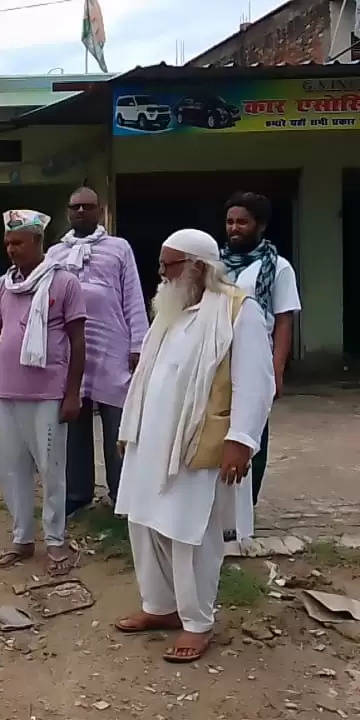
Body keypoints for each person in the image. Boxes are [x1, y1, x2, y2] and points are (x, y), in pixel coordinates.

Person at [114, 229, 274, 664]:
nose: (162, 275)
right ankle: (159, 607)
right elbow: (148, 375)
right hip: (151, 445)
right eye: (162, 267)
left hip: (197, 445)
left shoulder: (240, 312)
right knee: (145, 525)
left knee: (190, 533)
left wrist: (241, 440)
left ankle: (197, 623)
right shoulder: (171, 310)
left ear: (198, 268)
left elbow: (256, 383)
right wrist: (130, 431)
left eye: (170, 266)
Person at [0, 210, 86, 576]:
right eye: (8, 243)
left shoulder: (63, 283)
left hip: (48, 394)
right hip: (9, 392)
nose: (11, 250)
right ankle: (22, 538)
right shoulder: (4, 285)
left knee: (51, 469)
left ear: (38, 243)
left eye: (18, 243)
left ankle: (56, 541)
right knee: (9, 470)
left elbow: (77, 341)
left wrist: (72, 393)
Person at [47, 187, 149, 515]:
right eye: (75, 207)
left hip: (113, 348)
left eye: (87, 207)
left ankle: (123, 495)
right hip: (70, 352)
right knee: (73, 424)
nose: (80, 212)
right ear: (67, 211)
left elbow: (132, 295)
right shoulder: (55, 254)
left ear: (99, 210)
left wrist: (138, 344)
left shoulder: (119, 248)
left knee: (118, 424)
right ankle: (77, 494)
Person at [221, 191, 300, 506]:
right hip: (217, 359)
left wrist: (276, 370)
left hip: (256, 362)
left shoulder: (278, 267)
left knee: (252, 432)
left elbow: (283, 321)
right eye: (229, 222)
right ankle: (219, 504)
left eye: (242, 222)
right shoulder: (215, 264)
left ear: (260, 226)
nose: (234, 228)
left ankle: (245, 506)